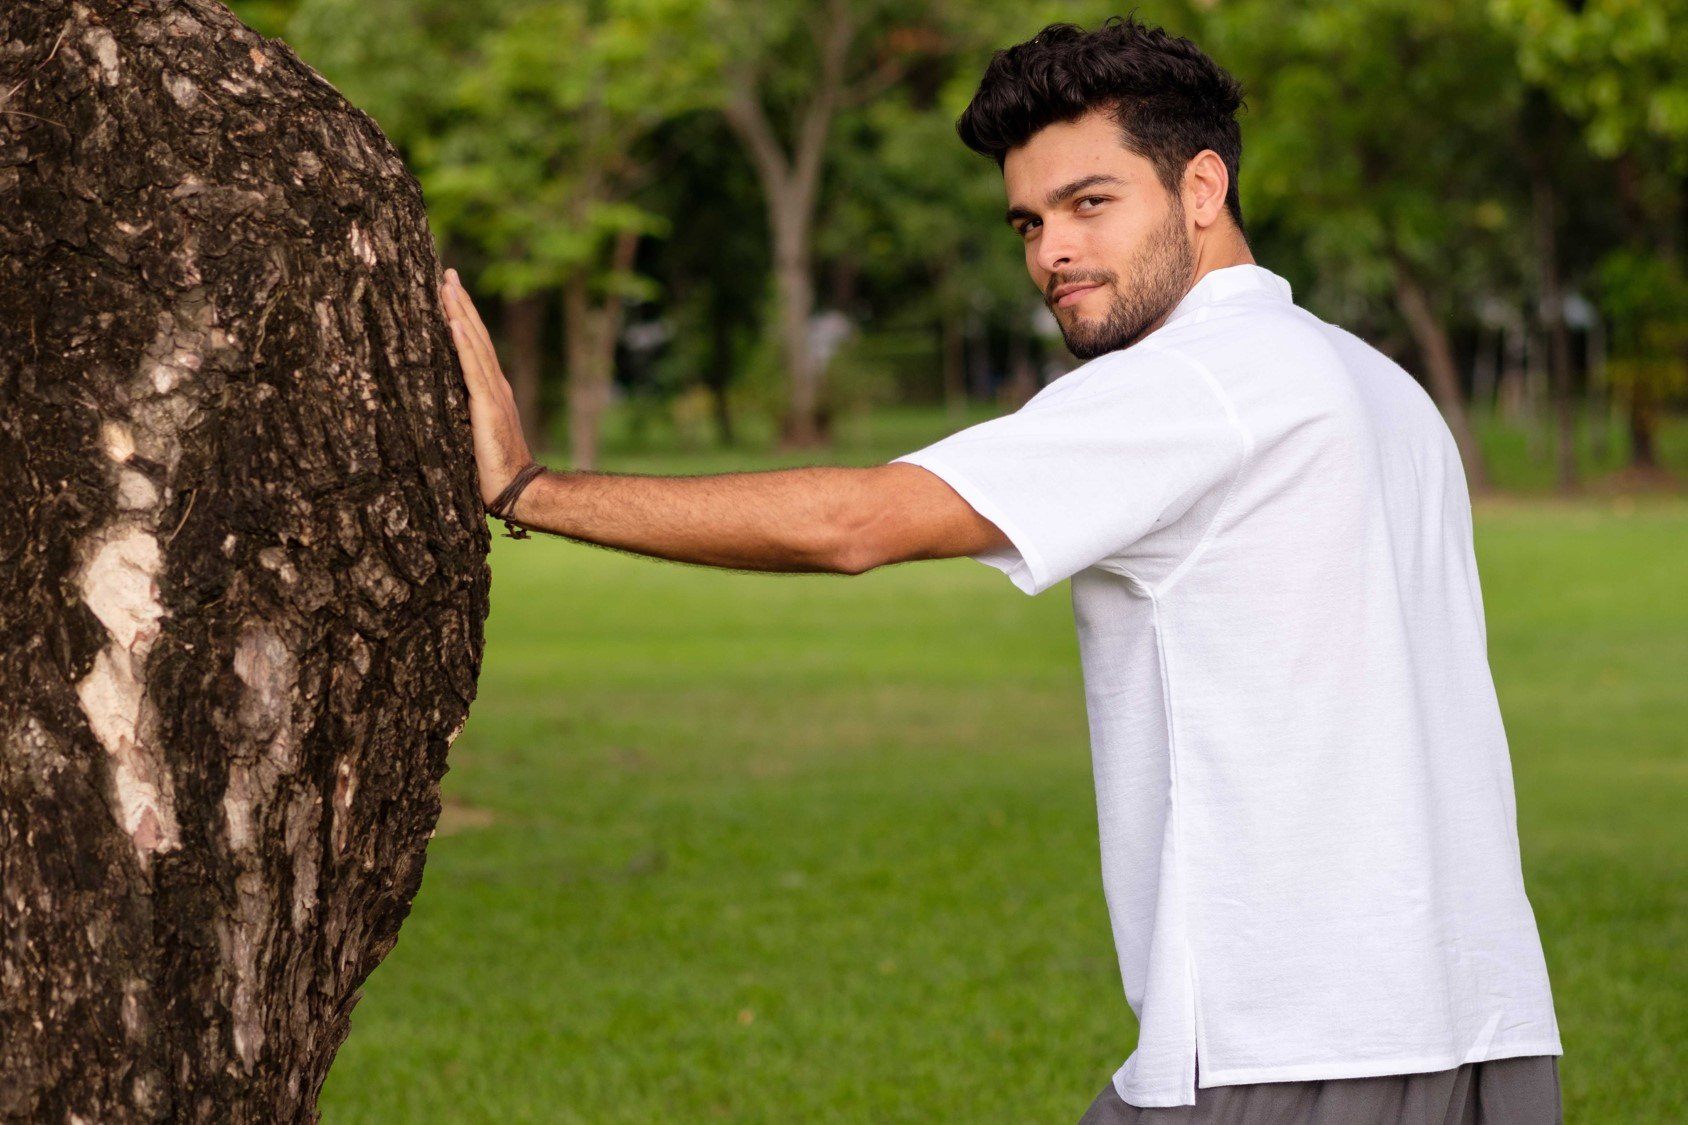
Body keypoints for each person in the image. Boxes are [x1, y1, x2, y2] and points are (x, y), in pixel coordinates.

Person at [440, 15, 1563, 1124]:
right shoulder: (1375, 384)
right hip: (1485, 1023)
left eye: (1089, 203)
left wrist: (528, 490)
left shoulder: (1194, 380)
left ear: (1202, 188)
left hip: (1287, 1036)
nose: (1050, 253)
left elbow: (856, 524)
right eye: (1027, 221)